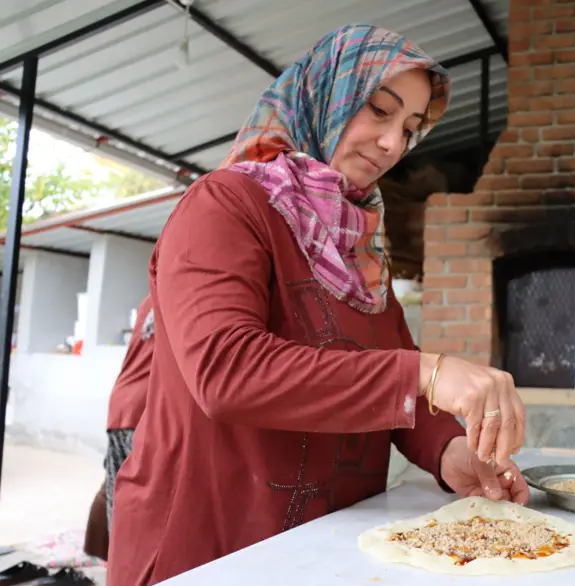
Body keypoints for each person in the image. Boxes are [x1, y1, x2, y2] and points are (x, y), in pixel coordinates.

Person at [107, 24, 528, 586]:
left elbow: (390, 372)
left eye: (410, 128)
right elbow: (225, 371)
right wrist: (426, 372)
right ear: (324, 97)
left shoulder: (361, 245)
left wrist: (449, 452)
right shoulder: (226, 205)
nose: (392, 144)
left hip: (327, 547)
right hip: (211, 542)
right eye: (379, 110)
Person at [82, 295, 155, 561]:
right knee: (141, 504)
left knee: (116, 490)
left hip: (122, 400)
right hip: (145, 407)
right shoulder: (180, 292)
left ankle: (110, 561)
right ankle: (124, 563)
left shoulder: (148, 301)